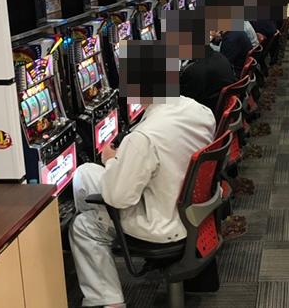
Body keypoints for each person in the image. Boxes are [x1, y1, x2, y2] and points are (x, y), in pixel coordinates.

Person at [70, 99, 215, 307]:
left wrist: (110, 160)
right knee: (84, 173)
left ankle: (109, 301)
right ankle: (99, 239)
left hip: (162, 223)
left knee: (84, 224)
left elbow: (118, 198)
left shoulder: (143, 137)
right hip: (194, 209)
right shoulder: (199, 110)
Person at [180, 44, 236, 112]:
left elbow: (176, 101)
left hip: (202, 111)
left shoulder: (193, 72)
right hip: (214, 104)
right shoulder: (219, 57)